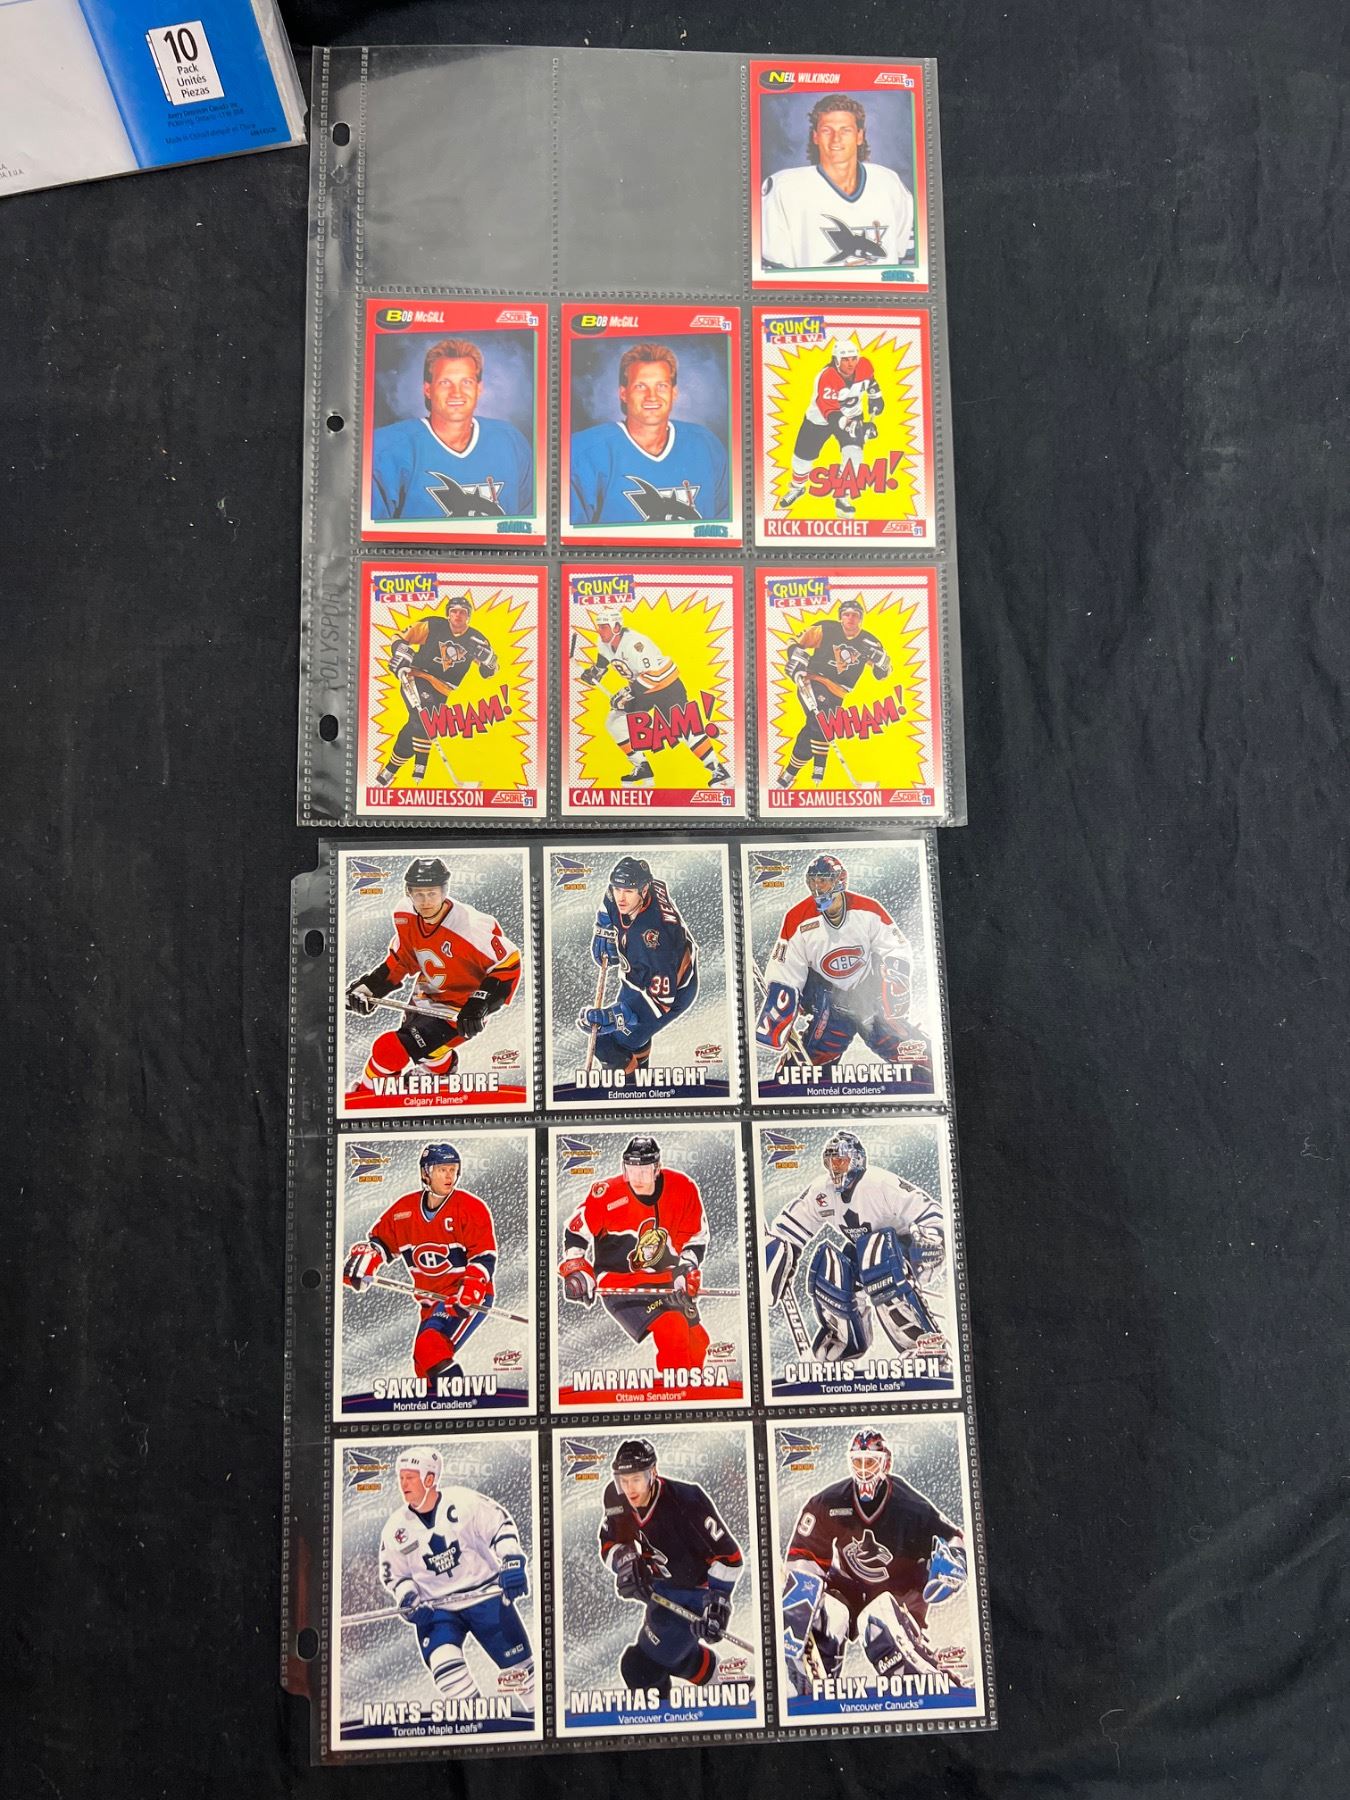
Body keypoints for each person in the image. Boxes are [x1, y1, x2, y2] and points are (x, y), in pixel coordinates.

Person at [780, 1429, 967, 1696]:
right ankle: (813, 1684)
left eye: (870, 1462)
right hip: (852, 1589)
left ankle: (926, 1677)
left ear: (885, 1463)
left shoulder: (909, 1505)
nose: (864, 1470)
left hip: (900, 1593)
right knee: (829, 1613)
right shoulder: (829, 1502)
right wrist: (800, 1603)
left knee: (878, 1621)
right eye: (858, 1462)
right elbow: (802, 1554)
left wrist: (954, 1563)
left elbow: (952, 1537)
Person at [346, 857, 521, 1096]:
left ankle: (365, 1094)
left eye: (432, 893)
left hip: (457, 1011)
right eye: (419, 894)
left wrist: (480, 1004)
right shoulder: (405, 915)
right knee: (425, 1050)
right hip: (422, 999)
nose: (426, 901)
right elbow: (402, 958)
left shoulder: (469, 927)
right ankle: (442, 1070)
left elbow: (509, 964)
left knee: (390, 1049)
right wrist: (370, 987)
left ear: (444, 892)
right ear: (408, 893)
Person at [763, 1130, 944, 1360]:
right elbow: (791, 1228)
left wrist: (932, 1238)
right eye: (830, 1163)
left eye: (840, 1161)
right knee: (830, 1270)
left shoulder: (880, 1183)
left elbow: (930, 1211)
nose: (835, 1169)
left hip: (913, 1251)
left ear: (856, 1160)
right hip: (868, 1252)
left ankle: (926, 1347)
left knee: (878, 1260)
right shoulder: (822, 1191)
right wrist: (775, 1254)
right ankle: (845, 1346)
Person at [379, 1447, 534, 1713]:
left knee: (523, 1676)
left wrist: (511, 1561)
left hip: (484, 1595)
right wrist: (408, 1598)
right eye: (401, 1477)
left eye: (410, 1477)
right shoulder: (396, 1528)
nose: (403, 1484)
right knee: (447, 1672)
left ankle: (538, 1720)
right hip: (437, 1609)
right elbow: (397, 1575)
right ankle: (478, 1725)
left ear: (430, 1479)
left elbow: (500, 1527)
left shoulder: (464, 1501)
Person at [598, 1439, 743, 1695]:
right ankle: (729, 1685)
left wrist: (717, 1605)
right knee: (665, 1657)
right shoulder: (615, 1496)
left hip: (695, 1594)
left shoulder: (687, 1500)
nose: (629, 1488)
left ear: (653, 1473)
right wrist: (626, 1562)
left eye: (636, 1479)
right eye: (624, 1480)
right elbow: (610, 1543)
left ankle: (665, 1715)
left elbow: (729, 1557)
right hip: (662, 1589)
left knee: (642, 1667)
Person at [755, 852, 925, 1072]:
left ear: (839, 881)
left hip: (869, 998)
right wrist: (779, 1015)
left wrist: (896, 981)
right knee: (802, 1067)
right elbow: (785, 969)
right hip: (829, 1004)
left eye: (823, 880)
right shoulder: (796, 918)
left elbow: (895, 947)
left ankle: (927, 1068)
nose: (817, 887)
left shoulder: (868, 909)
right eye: (812, 881)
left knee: (908, 1048)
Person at [343, 1142, 496, 1383]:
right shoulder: (403, 1211)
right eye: (442, 1170)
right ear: (426, 1172)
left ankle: (459, 1400)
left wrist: (472, 1288)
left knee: (430, 1346)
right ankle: (443, 1403)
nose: (449, 1176)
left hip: (465, 1295)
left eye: (453, 1169)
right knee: (423, 1367)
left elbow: (484, 1257)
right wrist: (365, 1260)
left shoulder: (470, 1207)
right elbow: (380, 1244)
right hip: (431, 1302)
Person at [558, 1135, 709, 1372]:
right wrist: (577, 1267)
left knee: (698, 1341)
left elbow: (695, 1238)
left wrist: (686, 1268)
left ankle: (693, 1389)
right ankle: (676, 1391)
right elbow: (576, 1231)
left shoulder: (683, 1188)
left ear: (657, 1168)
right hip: (620, 1283)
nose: (636, 1177)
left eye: (644, 1170)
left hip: (666, 1280)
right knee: (673, 1329)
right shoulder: (607, 1193)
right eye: (631, 1169)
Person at [371, 336, 532, 521]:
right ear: (428, 390)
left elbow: (531, 523)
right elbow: (370, 532)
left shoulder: (510, 441)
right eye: (445, 382)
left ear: (479, 388)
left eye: (466, 382)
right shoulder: (386, 449)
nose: (456, 393)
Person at [570, 342, 730, 527]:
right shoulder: (583, 452)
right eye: (640, 386)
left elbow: (726, 528)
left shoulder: (706, 445)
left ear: (674, 393)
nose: (652, 396)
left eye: (661, 386)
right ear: (623, 393)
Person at [760, 93, 915, 273]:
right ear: (815, 137)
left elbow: (909, 260)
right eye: (827, 130)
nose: (836, 139)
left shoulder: (889, 183)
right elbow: (773, 271)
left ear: (859, 136)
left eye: (845, 130)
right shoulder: (783, 188)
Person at [578, 604, 729, 787]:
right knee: (615, 721)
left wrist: (626, 695)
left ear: (616, 627)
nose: (599, 630)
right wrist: (594, 672)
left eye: (604, 627)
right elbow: (603, 661)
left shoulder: (635, 644)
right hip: (643, 688)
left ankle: (718, 770)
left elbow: (654, 675)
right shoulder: (604, 642)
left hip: (666, 686)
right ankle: (642, 767)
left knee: (683, 727)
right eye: (599, 626)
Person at [577, 854, 699, 1076]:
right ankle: (642, 1075)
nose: (621, 898)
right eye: (618, 889)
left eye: (628, 891)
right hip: (641, 974)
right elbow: (610, 896)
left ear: (643, 890)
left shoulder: (653, 937)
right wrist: (604, 924)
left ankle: (631, 1088)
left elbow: (662, 999)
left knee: (610, 1042)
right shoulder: (633, 891)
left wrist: (617, 1015)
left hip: (673, 992)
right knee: (623, 1036)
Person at [376, 591, 499, 788]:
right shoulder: (433, 624)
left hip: (443, 690)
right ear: (448, 613)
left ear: (468, 616)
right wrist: (402, 654)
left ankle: (390, 770)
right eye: (454, 611)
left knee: (415, 725)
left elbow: (488, 673)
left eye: (462, 612)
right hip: (417, 676)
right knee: (425, 718)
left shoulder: (477, 639)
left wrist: (490, 661)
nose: (458, 615)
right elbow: (400, 637)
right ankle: (420, 767)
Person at [776, 596, 892, 789]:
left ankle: (789, 773)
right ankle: (819, 769)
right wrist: (796, 658)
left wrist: (882, 662)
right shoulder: (826, 628)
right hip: (814, 681)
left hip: (839, 693)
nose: (850, 618)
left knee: (814, 729)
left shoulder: (870, 642)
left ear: (861, 618)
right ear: (840, 617)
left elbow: (881, 675)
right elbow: (795, 641)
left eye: (855, 615)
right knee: (822, 722)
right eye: (846, 614)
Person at [776, 331, 887, 517]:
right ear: (836, 360)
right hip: (820, 419)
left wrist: (875, 396)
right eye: (845, 360)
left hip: (852, 415)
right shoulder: (827, 377)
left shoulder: (864, 365)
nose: (850, 363)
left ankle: (842, 497)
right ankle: (797, 487)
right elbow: (832, 414)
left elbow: (871, 382)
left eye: (853, 359)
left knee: (854, 456)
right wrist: (859, 427)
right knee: (803, 458)